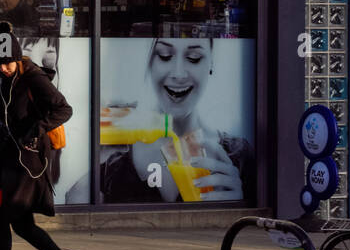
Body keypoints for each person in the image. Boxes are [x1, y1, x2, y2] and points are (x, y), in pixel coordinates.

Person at [0, 21, 84, 250]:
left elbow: (64, 109)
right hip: (8, 157)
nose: (4, 68)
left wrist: (37, 128)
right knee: (22, 225)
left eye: (8, 63)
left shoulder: (33, 77)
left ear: (16, 57)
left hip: (30, 162)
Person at [99, 37, 251, 203]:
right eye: (164, 56)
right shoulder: (113, 159)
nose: (179, 74)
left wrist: (238, 207)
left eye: (194, 58)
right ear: (149, 61)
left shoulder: (238, 156)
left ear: (211, 62)